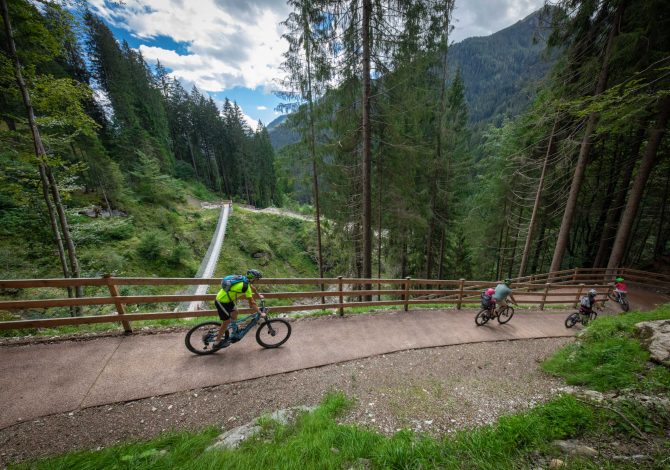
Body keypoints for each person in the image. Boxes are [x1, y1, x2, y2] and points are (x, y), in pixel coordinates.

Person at [213, 269, 265, 349]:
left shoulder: (244, 279)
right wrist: (260, 313)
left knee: (235, 312)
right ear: (253, 278)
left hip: (227, 299)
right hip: (221, 301)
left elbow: (253, 288)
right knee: (226, 322)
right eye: (256, 279)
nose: (256, 280)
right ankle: (217, 343)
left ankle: (235, 330)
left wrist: (258, 295)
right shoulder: (245, 286)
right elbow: (252, 303)